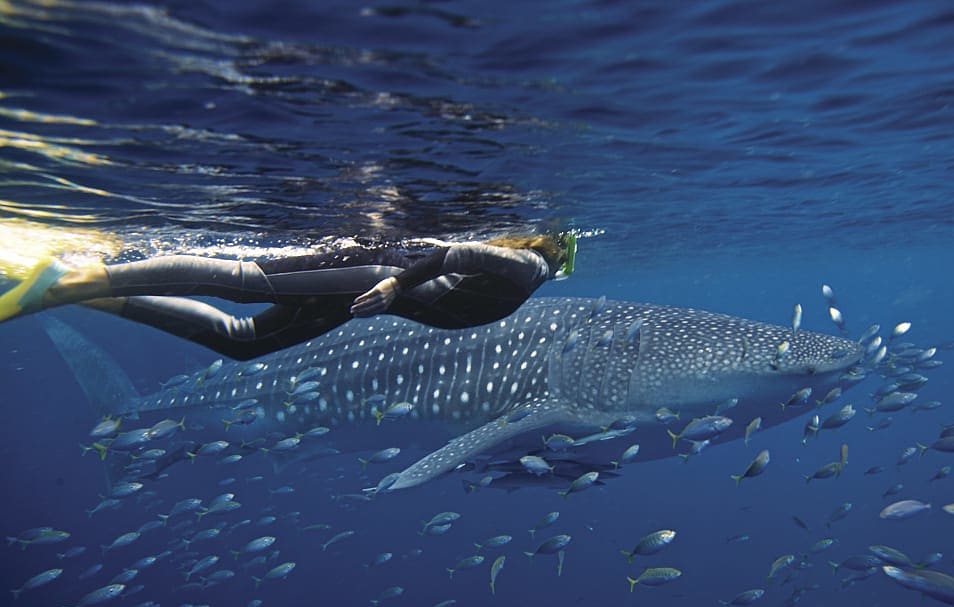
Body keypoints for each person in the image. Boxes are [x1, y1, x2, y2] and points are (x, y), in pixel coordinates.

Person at [0, 231, 576, 360]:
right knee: (246, 282)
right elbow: (457, 256)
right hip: (372, 276)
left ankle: (82, 295)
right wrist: (397, 284)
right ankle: (80, 277)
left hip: (367, 297)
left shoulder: (528, 274)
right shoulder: (527, 267)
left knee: (245, 342)